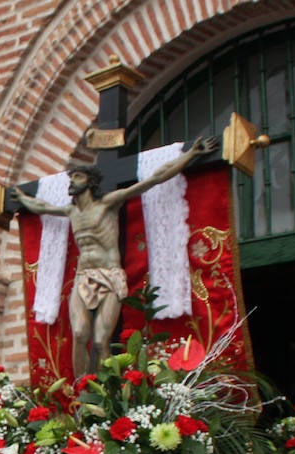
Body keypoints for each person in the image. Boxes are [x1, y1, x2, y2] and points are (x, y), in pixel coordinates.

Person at [12, 136, 218, 375]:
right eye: (71, 177)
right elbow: (41, 207)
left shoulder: (108, 203)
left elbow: (153, 179)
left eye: (77, 177)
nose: (72, 181)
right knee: (79, 333)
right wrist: (23, 197)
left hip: (110, 276)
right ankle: (82, 393)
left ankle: (106, 393)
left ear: (90, 182)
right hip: (83, 276)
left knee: (100, 340)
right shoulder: (70, 210)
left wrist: (190, 155)